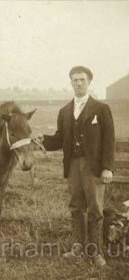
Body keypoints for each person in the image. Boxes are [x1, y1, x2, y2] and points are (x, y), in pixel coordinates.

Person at [37, 66, 115, 266]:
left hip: (94, 167)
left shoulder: (101, 109)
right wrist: (43, 140)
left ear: (89, 82)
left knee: (95, 208)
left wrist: (107, 167)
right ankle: (78, 247)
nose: (78, 83)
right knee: (76, 207)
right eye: (75, 80)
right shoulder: (64, 111)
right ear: (71, 83)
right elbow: (60, 139)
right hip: (72, 166)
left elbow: (109, 141)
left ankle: (95, 252)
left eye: (82, 79)